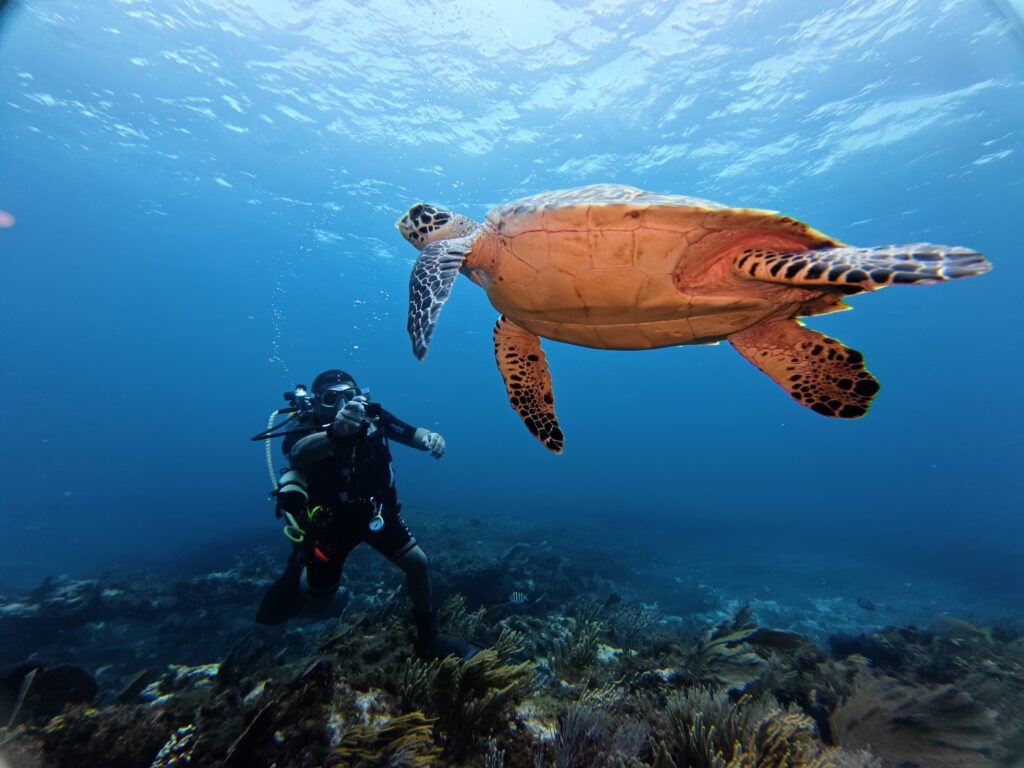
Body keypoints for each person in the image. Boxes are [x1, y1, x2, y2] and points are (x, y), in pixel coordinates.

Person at [255, 369, 477, 660]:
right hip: (328, 524)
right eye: (331, 398)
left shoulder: (373, 416)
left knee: (418, 564)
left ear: (360, 395)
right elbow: (298, 454)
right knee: (320, 601)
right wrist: (335, 433)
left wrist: (431, 439)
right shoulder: (306, 424)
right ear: (317, 401)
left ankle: (428, 637)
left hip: (372, 511)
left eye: (348, 395)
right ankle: (298, 573)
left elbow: (410, 433)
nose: (342, 404)